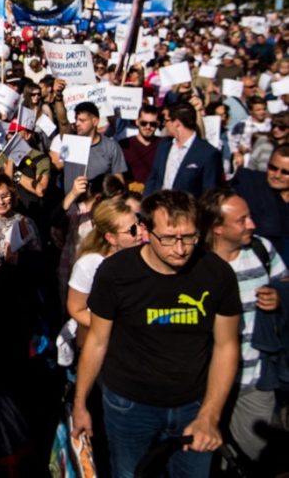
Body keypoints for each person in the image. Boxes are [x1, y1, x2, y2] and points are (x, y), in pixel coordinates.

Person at [72, 190, 241, 478]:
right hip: (129, 407)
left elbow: (226, 345)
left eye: (189, 237)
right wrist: (80, 403)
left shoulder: (217, 274)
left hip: (194, 406)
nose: (180, 248)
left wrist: (210, 416)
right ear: (146, 231)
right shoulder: (115, 273)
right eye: (168, 238)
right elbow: (97, 341)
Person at [199, 188, 287, 465]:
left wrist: (280, 297)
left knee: (262, 461)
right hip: (203, 385)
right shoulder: (196, 264)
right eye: (242, 220)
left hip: (255, 380)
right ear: (217, 228)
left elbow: (284, 283)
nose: (252, 224)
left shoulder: (262, 250)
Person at [66, 196, 144, 331]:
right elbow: (76, 309)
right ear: (111, 238)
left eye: (139, 224)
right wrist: (112, 328)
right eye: (132, 230)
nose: (140, 232)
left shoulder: (145, 255)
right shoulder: (89, 264)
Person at [144, 101, 222, 197]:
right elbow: (153, 178)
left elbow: (209, 193)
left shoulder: (208, 154)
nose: (164, 124)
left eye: (166, 120)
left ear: (177, 124)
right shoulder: (164, 145)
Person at [232, 144, 289, 264]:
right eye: (272, 168)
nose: (277, 175)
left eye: (285, 172)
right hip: (260, 263)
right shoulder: (250, 185)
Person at [62, 102, 127, 195]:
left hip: (100, 204)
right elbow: (62, 122)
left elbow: (118, 179)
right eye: (76, 119)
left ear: (95, 121)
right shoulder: (70, 143)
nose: (77, 123)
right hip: (72, 204)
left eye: (82, 120)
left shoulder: (111, 146)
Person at [119, 103, 162, 190]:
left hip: (155, 193)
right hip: (130, 194)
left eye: (152, 124)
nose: (148, 127)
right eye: (144, 123)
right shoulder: (124, 145)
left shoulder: (163, 145)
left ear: (158, 124)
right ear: (137, 122)